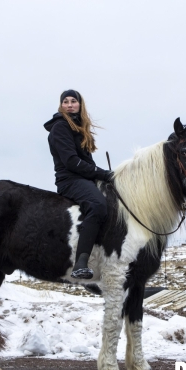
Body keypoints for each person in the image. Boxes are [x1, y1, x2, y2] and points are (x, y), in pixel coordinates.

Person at [43, 90, 113, 279]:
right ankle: (80, 263)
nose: (69, 104)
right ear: (61, 106)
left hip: (84, 178)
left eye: (73, 101)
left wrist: (105, 176)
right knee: (98, 205)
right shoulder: (60, 127)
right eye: (65, 101)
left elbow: (87, 164)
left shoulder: (78, 128)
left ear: (80, 105)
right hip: (70, 180)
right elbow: (71, 162)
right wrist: (103, 174)